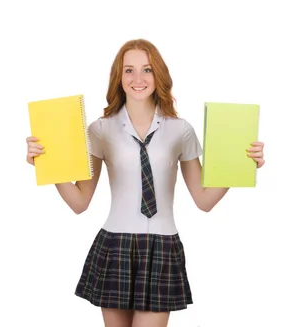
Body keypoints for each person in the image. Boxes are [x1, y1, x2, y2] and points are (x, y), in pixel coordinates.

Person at [25, 39, 265, 327]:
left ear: (158, 75)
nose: (138, 79)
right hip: (115, 245)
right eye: (129, 70)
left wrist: (241, 165)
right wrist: (49, 164)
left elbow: (204, 200)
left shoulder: (181, 130)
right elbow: (79, 202)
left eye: (147, 70)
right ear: (119, 77)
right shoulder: (100, 130)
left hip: (162, 246)